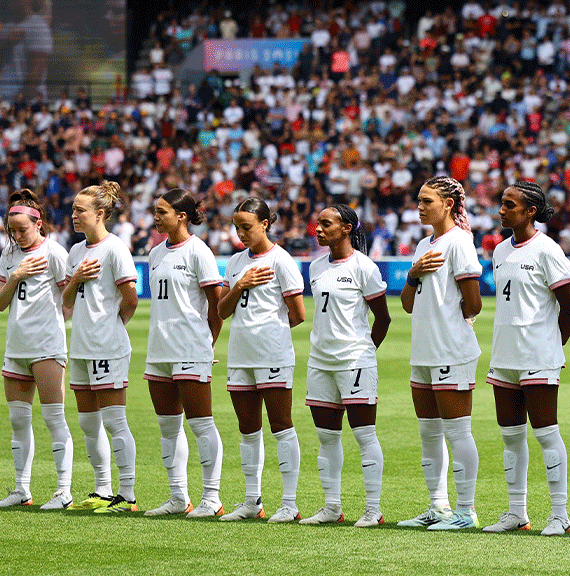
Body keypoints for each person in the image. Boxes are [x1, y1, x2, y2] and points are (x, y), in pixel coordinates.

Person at [481, 182, 570, 536]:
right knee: (510, 435)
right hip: (504, 353)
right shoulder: (500, 250)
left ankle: (560, 515)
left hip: (537, 354)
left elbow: (569, 309)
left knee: (546, 433)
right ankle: (516, 512)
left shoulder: (548, 251)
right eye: (502, 203)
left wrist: (551, 348)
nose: (502, 209)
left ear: (530, 211)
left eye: (509, 205)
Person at [398, 175, 482, 530]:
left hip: (450, 349)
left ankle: (465, 512)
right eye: (419, 200)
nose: (419, 206)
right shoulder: (421, 245)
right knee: (428, 432)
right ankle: (438, 506)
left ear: (448, 204)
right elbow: (408, 305)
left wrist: (452, 325)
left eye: (427, 200)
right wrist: (413, 275)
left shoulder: (459, 242)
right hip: (423, 350)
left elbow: (473, 302)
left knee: (458, 431)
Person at [300, 204, 391, 528]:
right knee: (327, 437)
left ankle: (373, 510)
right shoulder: (315, 266)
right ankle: (331, 507)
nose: (318, 229)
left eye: (326, 223)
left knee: (364, 436)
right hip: (320, 361)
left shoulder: (364, 267)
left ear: (347, 228)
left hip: (353, 361)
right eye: (318, 223)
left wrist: (363, 353)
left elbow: (383, 318)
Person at [218, 197, 306, 523]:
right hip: (240, 355)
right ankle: (251, 502)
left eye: (247, 227)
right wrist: (239, 285)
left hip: (272, 354)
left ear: (265, 224)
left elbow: (297, 315)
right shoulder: (235, 263)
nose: (241, 233)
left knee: (281, 426)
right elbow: (221, 311)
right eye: (237, 227)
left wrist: (269, 332)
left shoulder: (281, 260)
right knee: (248, 430)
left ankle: (289, 503)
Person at [143, 189, 225, 518]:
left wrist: (208, 344)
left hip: (190, 346)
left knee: (201, 423)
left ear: (181, 216)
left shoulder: (199, 252)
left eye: (162, 212)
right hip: (159, 347)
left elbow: (216, 306)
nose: (156, 216)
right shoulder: (154, 253)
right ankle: (178, 497)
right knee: (168, 426)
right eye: (155, 211)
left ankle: (212, 498)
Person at [63, 181, 139, 513]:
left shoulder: (116, 249)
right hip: (80, 346)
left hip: (107, 347)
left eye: (80, 210)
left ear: (100, 213)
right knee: (87, 422)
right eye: (74, 209)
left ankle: (128, 494)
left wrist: (109, 329)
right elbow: (65, 301)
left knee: (114, 420)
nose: (74, 215)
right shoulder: (76, 252)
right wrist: (77, 278)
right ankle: (102, 489)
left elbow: (130, 300)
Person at [0, 190, 73, 509]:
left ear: (38, 224)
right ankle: (21, 489)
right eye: (12, 231)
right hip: (16, 345)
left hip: (46, 345)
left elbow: (67, 300)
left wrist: (55, 323)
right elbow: (1, 304)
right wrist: (15, 276)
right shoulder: (9, 254)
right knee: (18, 420)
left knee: (54, 418)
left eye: (22, 230)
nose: (17, 236)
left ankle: (63, 491)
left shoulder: (55, 252)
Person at [0, 0, 52, 101]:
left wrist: (22, 102)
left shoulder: (38, 26)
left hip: (25, 102)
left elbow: (36, 71)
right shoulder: (7, 27)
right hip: (5, 99)